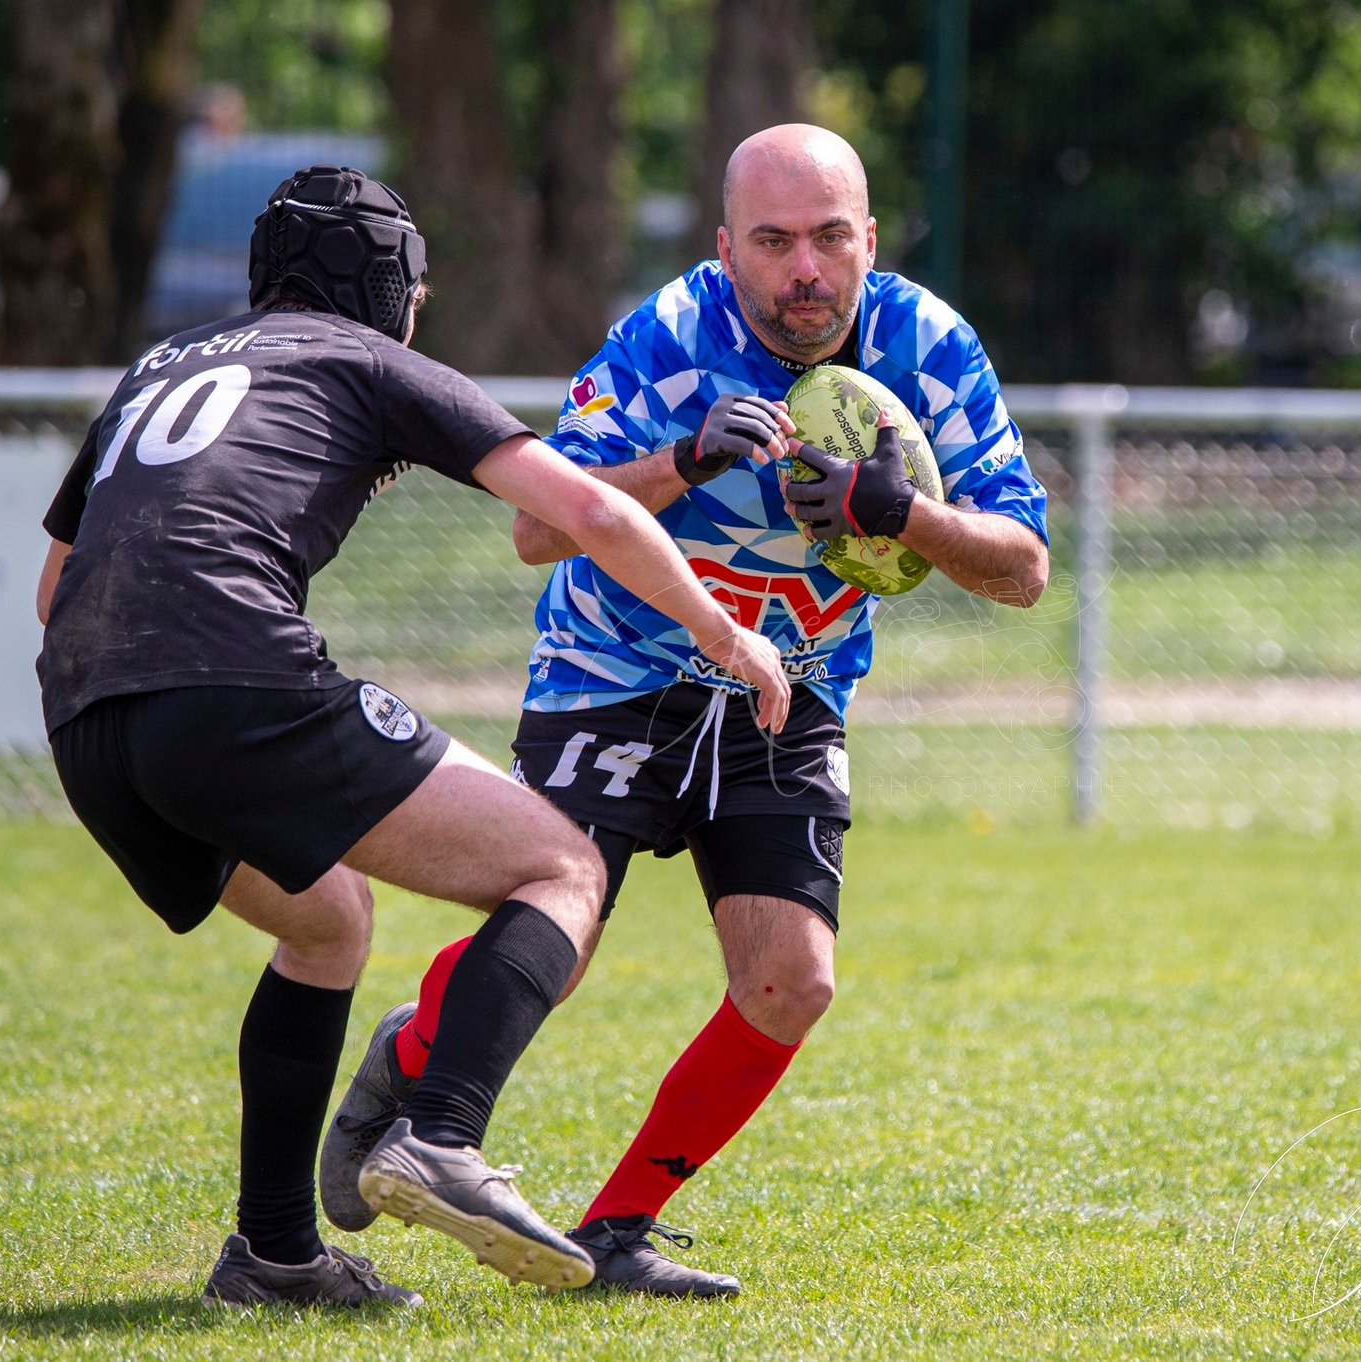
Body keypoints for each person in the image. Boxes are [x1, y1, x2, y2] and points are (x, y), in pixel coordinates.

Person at [34, 166, 791, 1309]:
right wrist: (724, 630)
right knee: (560, 865)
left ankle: (276, 1255)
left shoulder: (160, 366)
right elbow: (582, 509)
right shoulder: (368, 356)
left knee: (328, 919)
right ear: (388, 285)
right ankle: (440, 1135)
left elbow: (53, 590)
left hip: (84, 721)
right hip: (230, 685)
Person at [321, 125, 1050, 1297]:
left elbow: (1022, 568)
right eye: (771, 243)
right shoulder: (667, 336)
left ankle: (614, 1232)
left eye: (827, 238)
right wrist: (680, 459)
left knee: (790, 980)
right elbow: (535, 530)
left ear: (868, 238)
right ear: (726, 248)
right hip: (617, 671)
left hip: (789, 689)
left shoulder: (929, 344)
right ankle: (413, 1055)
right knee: (562, 935)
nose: (801, 269)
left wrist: (899, 513)